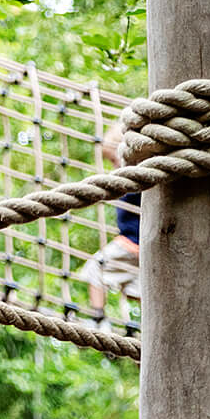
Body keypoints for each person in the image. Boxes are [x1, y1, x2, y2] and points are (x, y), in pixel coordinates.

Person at [80, 125, 141, 314]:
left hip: (130, 244)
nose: (114, 166)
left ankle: (98, 318)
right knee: (136, 291)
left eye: (115, 160)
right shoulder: (135, 179)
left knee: (94, 270)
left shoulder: (134, 177)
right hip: (144, 249)